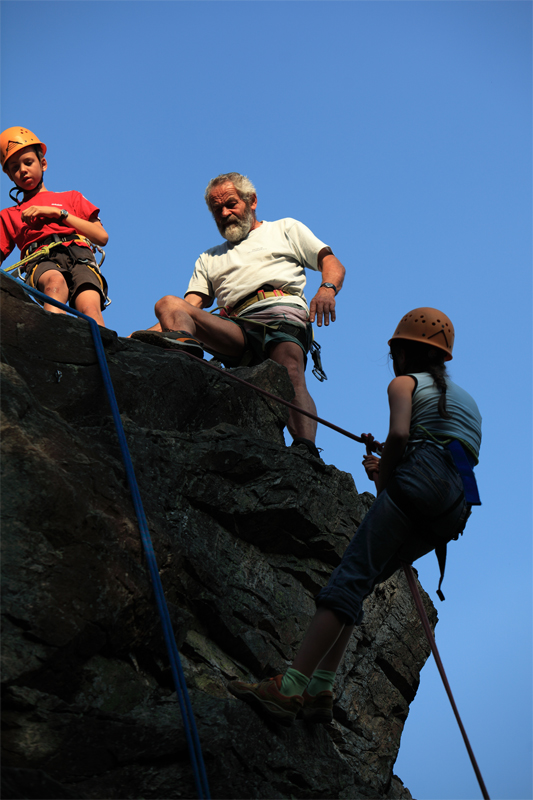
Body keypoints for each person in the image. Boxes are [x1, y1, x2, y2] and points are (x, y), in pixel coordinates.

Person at [228, 307, 482, 726]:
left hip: (417, 484)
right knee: (360, 586)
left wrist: (386, 479)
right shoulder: (467, 402)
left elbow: (402, 436)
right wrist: (392, 468)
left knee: (347, 581)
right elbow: (446, 451)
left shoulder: (403, 382)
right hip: (452, 509)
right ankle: (322, 688)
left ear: (401, 351)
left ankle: (290, 687)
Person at [131, 172, 345, 456]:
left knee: (290, 369)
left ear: (252, 201)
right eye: (217, 209)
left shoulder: (285, 229)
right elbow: (190, 305)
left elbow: (330, 261)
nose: (224, 213)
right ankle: (187, 352)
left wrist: (327, 289)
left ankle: (306, 448)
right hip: (234, 325)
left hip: (280, 313)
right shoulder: (209, 257)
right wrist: (137, 338)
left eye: (231, 204)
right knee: (168, 304)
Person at [0, 127, 109, 326]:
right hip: (41, 260)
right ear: (9, 176)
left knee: (90, 308)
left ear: (43, 164)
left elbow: (101, 237)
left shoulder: (71, 197)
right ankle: (55, 346)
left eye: (28, 162)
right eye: (14, 167)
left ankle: (104, 353)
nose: (22, 170)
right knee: (54, 284)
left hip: (80, 256)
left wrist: (59, 214)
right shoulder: (9, 215)